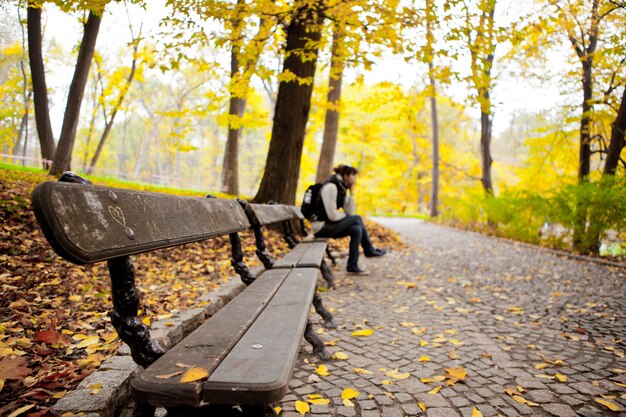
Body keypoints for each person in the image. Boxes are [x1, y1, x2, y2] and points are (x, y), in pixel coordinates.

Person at [311, 164, 386, 275]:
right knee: (357, 218)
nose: (355, 178)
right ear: (345, 176)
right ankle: (369, 250)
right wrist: (347, 218)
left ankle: (352, 266)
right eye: (353, 175)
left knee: (356, 229)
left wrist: (351, 192)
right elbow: (332, 215)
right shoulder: (331, 187)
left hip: (329, 226)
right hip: (321, 227)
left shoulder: (341, 188)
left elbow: (349, 211)